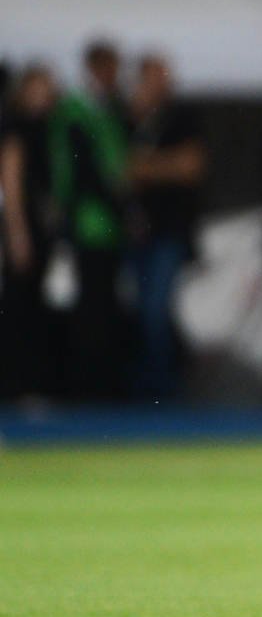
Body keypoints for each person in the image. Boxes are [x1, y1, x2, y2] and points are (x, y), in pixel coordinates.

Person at [48, 40, 129, 400]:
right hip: (88, 222)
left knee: (105, 305)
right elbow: (84, 172)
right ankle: (87, 391)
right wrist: (118, 200)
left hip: (108, 225)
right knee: (90, 308)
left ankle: (102, 386)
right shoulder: (77, 110)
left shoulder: (106, 108)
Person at [125, 54, 205, 402]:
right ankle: (152, 382)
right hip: (137, 232)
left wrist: (145, 168)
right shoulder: (128, 118)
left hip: (169, 231)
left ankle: (164, 387)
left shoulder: (181, 117)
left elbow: (191, 166)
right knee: (144, 308)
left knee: (156, 307)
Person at [1, 64, 60, 401]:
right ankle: (13, 387)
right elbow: (11, 183)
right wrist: (18, 234)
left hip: (38, 228)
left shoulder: (44, 127)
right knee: (19, 307)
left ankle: (23, 385)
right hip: (23, 230)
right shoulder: (18, 128)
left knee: (32, 305)